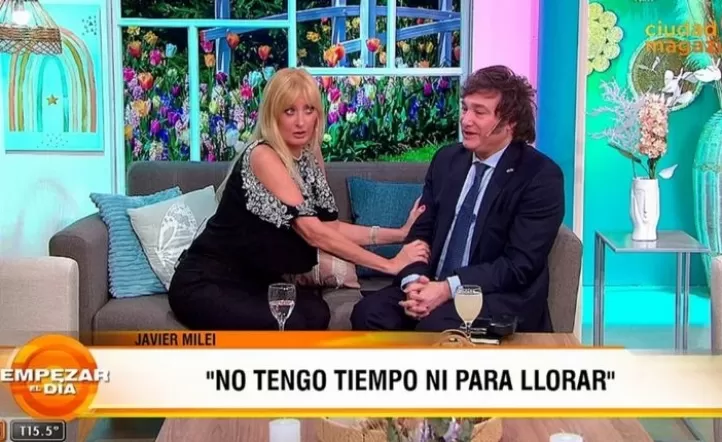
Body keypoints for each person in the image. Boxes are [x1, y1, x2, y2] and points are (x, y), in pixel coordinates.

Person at [168, 68, 430, 331]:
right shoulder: (263, 155)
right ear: (273, 116)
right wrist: (390, 265)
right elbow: (313, 232)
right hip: (207, 282)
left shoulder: (308, 156)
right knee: (294, 323)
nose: (301, 122)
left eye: (309, 110)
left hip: (255, 284)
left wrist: (399, 234)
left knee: (316, 313)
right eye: (290, 111)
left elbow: (330, 227)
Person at [351, 65, 565, 333]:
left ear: (509, 121)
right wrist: (415, 282)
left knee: (434, 328)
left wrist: (447, 289)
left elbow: (518, 265)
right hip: (431, 283)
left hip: (493, 295)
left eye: (479, 112)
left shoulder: (539, 176)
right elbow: (421, 231)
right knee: (369, 314)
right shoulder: (447, 160)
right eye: (465, 109)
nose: (466, 120)